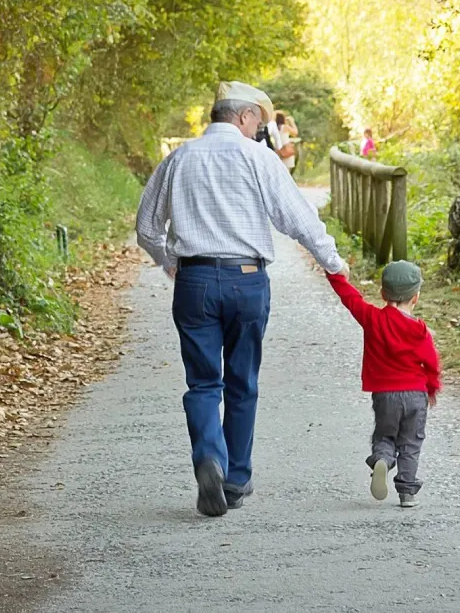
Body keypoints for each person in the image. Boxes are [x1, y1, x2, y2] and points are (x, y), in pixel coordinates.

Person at [136, 81, 347, 517]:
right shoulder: (259, 159)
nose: (260, 131)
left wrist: (168, 260)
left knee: (202, 383)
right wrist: (332, 261)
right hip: (248, 280)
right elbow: (298, 220)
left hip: (194, 281)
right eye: (260, 122)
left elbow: (146, 227)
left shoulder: (179, 158)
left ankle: (209, 458)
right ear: (244, 116)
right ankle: (235, 479)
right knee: (242, 382)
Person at [326, 260, 440, 508]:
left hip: (385, 394)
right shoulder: (420, 330)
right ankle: (407, 493)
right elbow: (431, 362)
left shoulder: (372, 318)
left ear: (382, 293)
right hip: (415, 394)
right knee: (411, 441)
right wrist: (431, 388)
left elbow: (349, 297)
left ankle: (382, 460)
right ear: (416, 297)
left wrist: (333, 272)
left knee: (385, 434)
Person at [274, 112, 298, 177]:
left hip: (278, 151)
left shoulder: (274, 127)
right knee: (287, 173)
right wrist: (292, 122)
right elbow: (295, 132)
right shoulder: (285, 127)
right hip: (286, 151)